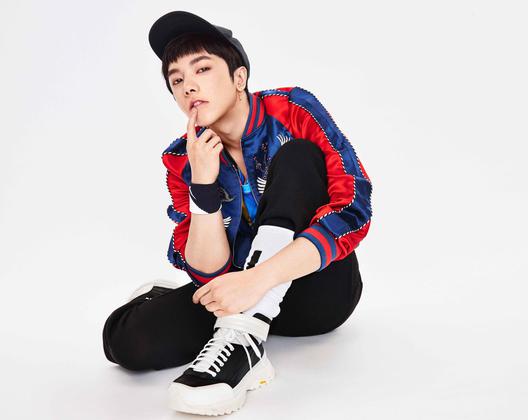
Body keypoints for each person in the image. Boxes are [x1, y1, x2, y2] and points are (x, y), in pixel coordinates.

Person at [101, 10, 373, 416]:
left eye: (202, 69)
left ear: (239, 77)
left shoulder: (292, 110)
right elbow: (208, 272)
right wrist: (203, 186)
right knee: (127, 342)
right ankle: (235, 325)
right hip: (234, 293)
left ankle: (244, 340)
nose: (189, 85)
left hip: (318, 291)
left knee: (297, 156)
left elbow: (354, 207)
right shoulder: (183, 159)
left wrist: (256, 281)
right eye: (176, 80)